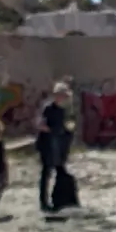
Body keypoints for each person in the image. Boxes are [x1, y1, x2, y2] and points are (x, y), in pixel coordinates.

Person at [36, 83, 75, 213]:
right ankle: (43, 202)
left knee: (60, 172)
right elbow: (41, 125)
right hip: (47, 145)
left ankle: (60, 199)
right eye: (61, 95)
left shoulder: (64, 110)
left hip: (59, 145)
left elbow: (68, 128)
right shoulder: (48, 108)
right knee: (46, 173)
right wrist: (53, 130)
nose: (63, 98)